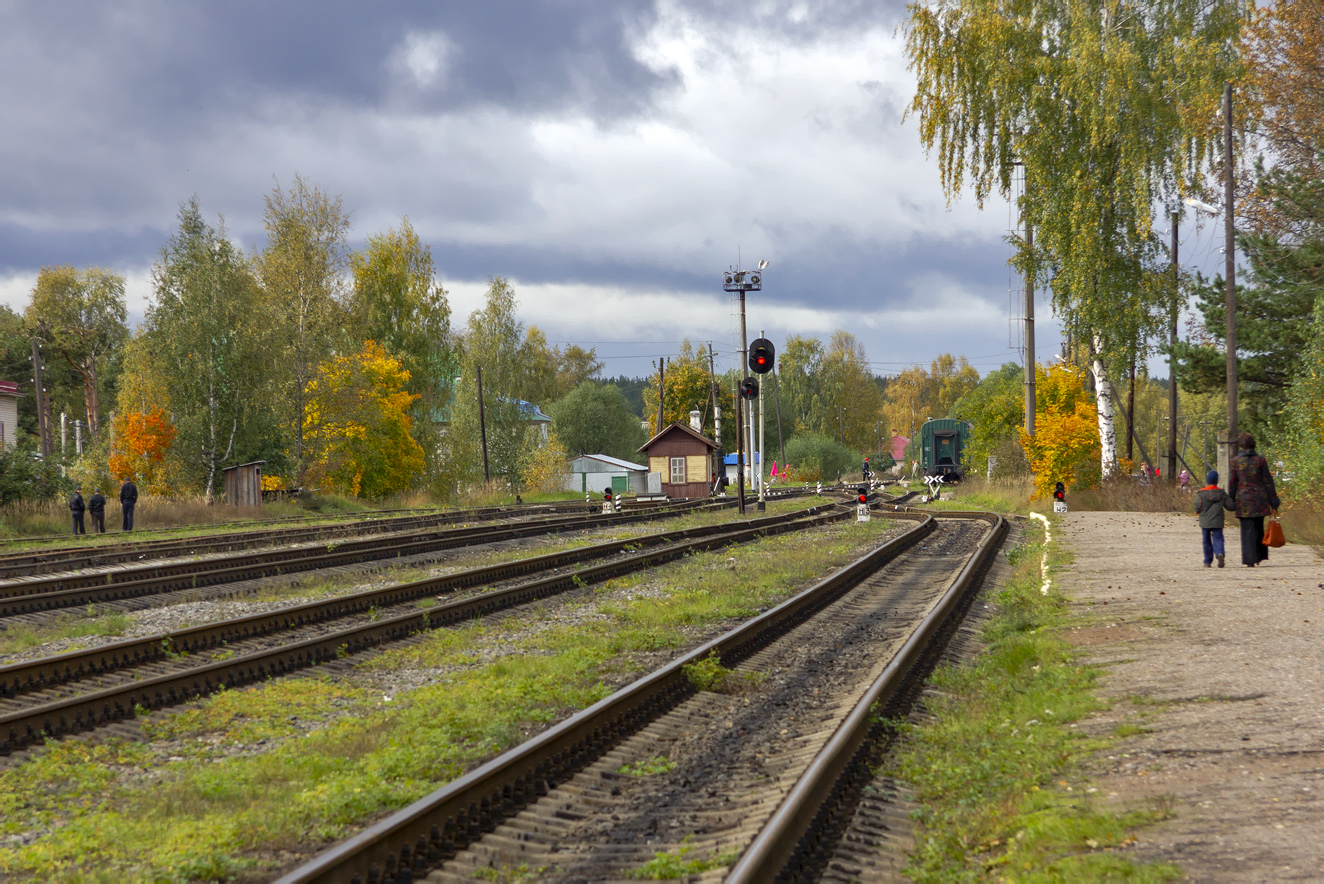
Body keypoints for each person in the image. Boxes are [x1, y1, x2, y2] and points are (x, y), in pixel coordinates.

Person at [1228, 431, 1280, 567]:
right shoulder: (1260, 460)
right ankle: (1259, 555)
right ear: (1253, 444)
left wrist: (1231, 499)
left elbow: (1232, 482)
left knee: (1246, 529)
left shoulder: (1235, 461)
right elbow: (1268, 481)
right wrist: (1273, 498)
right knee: (1258, 526)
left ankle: (1249, 559)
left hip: (1243, 499)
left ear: (1240, 445)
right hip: (1259, 499)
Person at [1194, 470, 1233, 568]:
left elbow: (1197, 506)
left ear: (1207, 480)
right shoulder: (1221, 493)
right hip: (1218, 520)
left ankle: (1207, 562)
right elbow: (1230, 506)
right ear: (1217, 480)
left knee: (1206, 541)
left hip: (1205, 521)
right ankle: (1219, 553)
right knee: (1218, 538)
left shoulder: (1201, 494)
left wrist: (1197, 511)